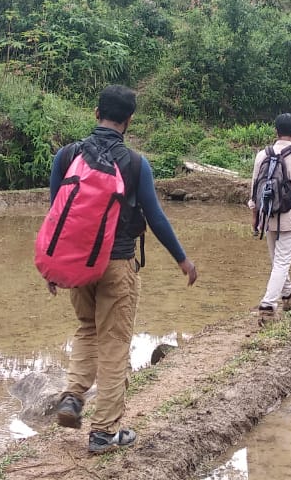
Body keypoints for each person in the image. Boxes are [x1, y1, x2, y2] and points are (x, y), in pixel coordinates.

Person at [47, 85, 198, 454]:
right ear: (129, 120)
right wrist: (182, 259)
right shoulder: (134, 163)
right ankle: (103, 432)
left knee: (87, 328)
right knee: (114, 342)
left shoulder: (67, 156)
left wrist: (53, 267)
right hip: (117, 263)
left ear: (96, 111)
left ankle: (72, 396)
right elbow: (156, 217)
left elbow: (56, 215)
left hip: (77, 261)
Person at [248, 113, 291, 325]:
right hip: (289, 216)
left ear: (275, 130)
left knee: (277, 260)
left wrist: (255, 216)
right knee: (281, 261)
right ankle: (268, 305)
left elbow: (254, 190)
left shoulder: (262, 155)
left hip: (267, 215)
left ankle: (288, 295)